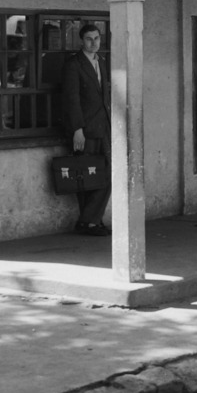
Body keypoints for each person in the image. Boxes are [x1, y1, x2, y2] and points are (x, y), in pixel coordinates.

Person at [61, 22, 112, 236]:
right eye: (89, 39)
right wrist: (77, 130)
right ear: (81, 40)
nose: (94, 43)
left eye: (97, 38)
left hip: (104, 126)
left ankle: (89, 220)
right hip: (85, 129)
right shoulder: (74, 64)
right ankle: (91, 222)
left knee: (108, 174)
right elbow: (71, 100)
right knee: (87, 175)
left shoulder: (101, 61)